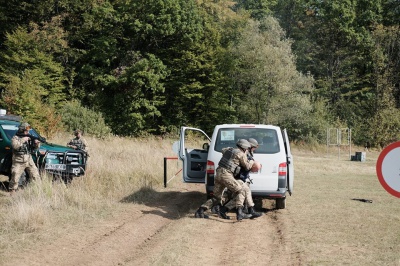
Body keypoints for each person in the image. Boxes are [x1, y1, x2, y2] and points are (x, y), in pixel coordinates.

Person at [194, 139, 255, 221]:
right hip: (226, 175)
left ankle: (200, 211)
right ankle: (240, 213)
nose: (247, 150)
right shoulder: (241, 154)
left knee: (217, 198)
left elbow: (223, 150)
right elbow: (247, 166)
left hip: (218, 173)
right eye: (247, 148)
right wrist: (251, 161)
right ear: (244, 148)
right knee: (241, 191)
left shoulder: (228, 150)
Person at [220, 138, 263, 219]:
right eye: (254, 147)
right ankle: (246, 211)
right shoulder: (243, 153)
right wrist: (253, 163)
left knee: (242, 194)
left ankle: (224, 209)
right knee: (243, 191)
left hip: (241, 177)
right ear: (250, 146)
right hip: (237, 177)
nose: (254, 149)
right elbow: (246, 166)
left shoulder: (248, 153)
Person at [8, 122, 41, 195]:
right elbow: (15, 146)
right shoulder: (15, 137)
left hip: (29, 159)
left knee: (35, 175)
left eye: (28, 131)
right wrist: (23, 140)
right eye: (26, 131)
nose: (28, 132)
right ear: (22, 130)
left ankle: (38, 191)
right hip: (18, 160)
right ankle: (12, 192)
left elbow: (34, 148)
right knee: (15, 176)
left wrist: (36, 143)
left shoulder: (29, 136)